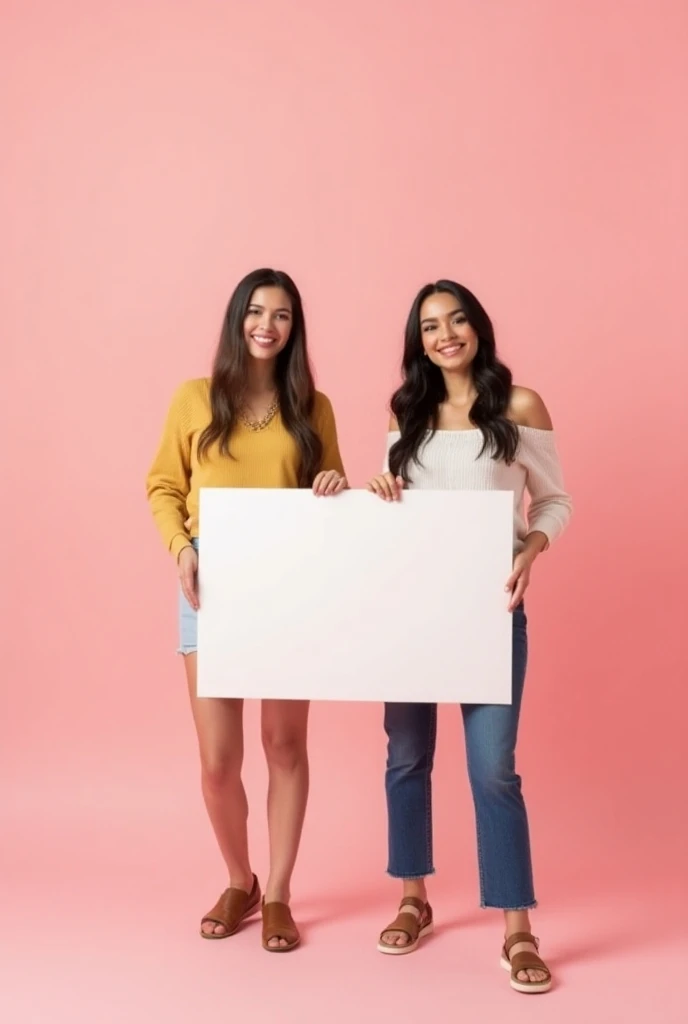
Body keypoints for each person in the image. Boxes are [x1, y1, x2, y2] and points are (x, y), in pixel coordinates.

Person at [366, 280, 572, 994]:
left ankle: (518, 927)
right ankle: (413, 898)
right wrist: (382, 490)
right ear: (417, 341)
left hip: (489, 609)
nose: (445, 334)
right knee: (406, 757)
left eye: (456, 320)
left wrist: (530, 551)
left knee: (492, 769)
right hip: (412, 612)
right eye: (429, 326)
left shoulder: (519, 406)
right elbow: (401, 512)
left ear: (477, 327)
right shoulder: (407, 409)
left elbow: (553, 499)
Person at [146, 268, 346, 952]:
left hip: (289, 581)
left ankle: (283, 892)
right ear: (237, 320)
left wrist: (330, 482)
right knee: (216, 760)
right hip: (212, 581)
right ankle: (241, 880)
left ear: (295, 328)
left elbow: (336, 492)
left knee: (285, 745)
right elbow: (163, 486)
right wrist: (180, 549)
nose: (268, 324)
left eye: (282, 314)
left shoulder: (312, 407)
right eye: (256, 312)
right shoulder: (194, 399)